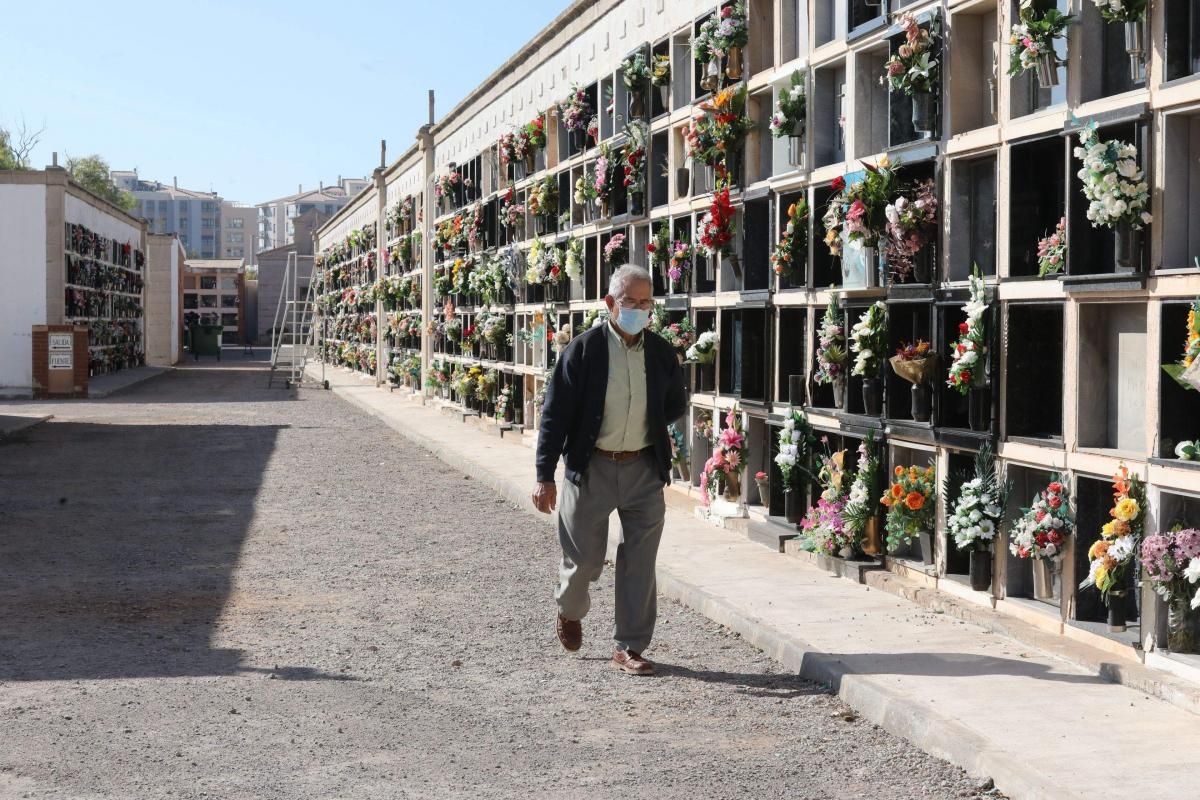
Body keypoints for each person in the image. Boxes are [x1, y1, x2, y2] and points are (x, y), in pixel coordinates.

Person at [532, 264, 687, 676]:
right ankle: (569, 609)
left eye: (645, 302)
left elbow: (676, 401)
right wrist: (544, 474)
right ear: (609, 304)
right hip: (592, 467)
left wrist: (649, 423)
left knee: (640, 561)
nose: (638, 309)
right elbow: (555, 414)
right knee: (584, 559)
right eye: (630, 301)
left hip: (643, 469)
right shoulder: (583, 351)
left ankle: (629, 646)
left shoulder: (659, 352)